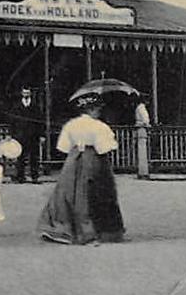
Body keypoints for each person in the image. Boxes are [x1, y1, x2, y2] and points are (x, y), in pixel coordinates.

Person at [37, 93, 125, 245]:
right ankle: (96, 232)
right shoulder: (99, 126)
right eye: (96, 109)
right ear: (91, 110)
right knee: (97, 192)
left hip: (73, 159)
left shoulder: (71, 125)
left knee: (68, 192)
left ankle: (63, 228)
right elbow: (104, 148)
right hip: (94, 159)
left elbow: (63, 147)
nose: (98, 112)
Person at [9, 86, 44, 183]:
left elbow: (40, 121)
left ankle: (34, 177)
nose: (26, 95)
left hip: (33, 135)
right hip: (20, 135)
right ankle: (20, 177)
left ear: (30, 94)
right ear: (21, 93)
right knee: (21, 157)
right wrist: (12, 135)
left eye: (28, 93)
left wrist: (41, 135)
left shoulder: (35, 106)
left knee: (34, 157)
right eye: (24, 93)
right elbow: (12, 122)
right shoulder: (16, 106)